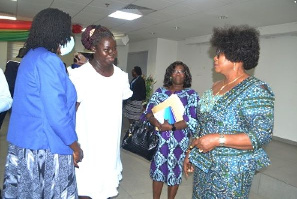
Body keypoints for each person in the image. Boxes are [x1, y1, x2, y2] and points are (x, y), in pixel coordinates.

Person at [183, 25, 275, 198]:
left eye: (219, 54)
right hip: (204, 167)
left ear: (237, 56)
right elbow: (201, 125)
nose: (215, 58)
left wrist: (218, 139)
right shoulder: (215, 86)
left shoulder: (256, 89)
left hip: (231, 173)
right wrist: (190, 153)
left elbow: (262, 135)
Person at [2, 8, 83, 198]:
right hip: (46, 146)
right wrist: (74, 145)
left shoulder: (31, 57)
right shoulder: (48, 60)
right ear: (57, 31)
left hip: (25, 144)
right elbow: (57, 114)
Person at [69, 25, 132, 199]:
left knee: (106, 191)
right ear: (94, 49)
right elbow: (70, 113)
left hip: (110, 148)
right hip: (86, 146)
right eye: (106, 49)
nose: (112, 53)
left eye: (114, 48)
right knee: (84, 191)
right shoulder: (80, 76)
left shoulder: (121, 77)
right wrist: (72, 144)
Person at [144, 61, 199, 199]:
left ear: (186, 75)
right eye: (175, 71)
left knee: (175, 171)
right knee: (158, 170)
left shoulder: (191, 95)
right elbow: (148, 111)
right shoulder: (160, 92)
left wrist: (172, 126)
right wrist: (154, 120)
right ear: (170, 75)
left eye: (181, 71)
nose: (178, 74)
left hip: (179, 141)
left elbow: (192, 119)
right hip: (159, 139)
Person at [0, 47, 25, 129]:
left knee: (4, 111)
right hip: (17, 88)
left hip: (7, 85)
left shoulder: (10, 61)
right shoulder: (24, 63)